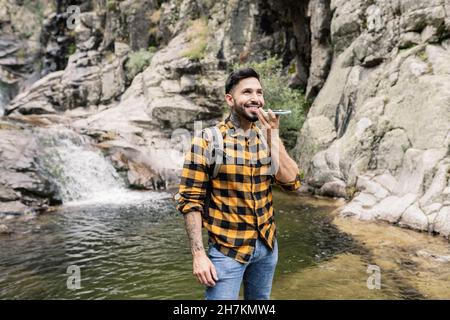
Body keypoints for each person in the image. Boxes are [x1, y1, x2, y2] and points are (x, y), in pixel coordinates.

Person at [176, 67, 301, 300]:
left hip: (267, 247)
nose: (256, 98)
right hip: (227, 251)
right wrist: (198, 255)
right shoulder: (206, 141)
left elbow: (292, 182)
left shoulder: (266, 137)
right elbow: (190, 202)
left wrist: (273, 134)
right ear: (230, 99)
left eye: (259, 92)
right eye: (247, 92)